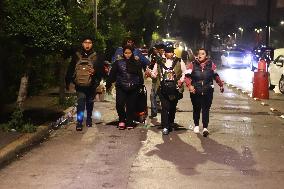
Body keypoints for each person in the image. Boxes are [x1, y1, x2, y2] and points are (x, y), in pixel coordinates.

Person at [65, 36, 105, 131]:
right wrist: (68, 81)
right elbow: (71, 69)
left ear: (92, 44)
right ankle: (79, 122)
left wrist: (95, 73)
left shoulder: (96, 56)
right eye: (85, 42)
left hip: (92, 84)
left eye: (89, 42)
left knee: (90, 102)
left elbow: (101, 71)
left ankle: (89, 119)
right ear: (82, 43)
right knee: (81, 102)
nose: (87, 45)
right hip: (79, 84)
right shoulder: (77, 55)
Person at [184, 48, 224, 137]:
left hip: (208, 90)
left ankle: (205, 127)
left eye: (202, 53)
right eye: (199, 53)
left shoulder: (211, 65)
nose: (200, 55)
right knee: (196, 108)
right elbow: (186, 77)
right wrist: (190, 86)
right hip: (196, 90)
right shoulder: (192, 64)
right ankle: (197, 125)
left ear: (206, 55)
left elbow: (216, 76)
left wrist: (221, 84)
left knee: (206, 109)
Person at [148, 43, 186, 135]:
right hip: (163, 88)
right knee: (165, 107)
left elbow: (185, 72)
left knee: (172, 107)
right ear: (165, 53)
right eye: (169, 52)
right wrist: (150, 73)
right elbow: (154, 73)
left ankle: (170, 122)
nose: (171, 54)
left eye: (172, 52)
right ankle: (165, 126)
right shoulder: (159, 61)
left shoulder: (179, 61)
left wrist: (181, 81)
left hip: (175, 88)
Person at [106, 45, 144, 130]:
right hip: (121, 87)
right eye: (125, 53)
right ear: (123, 53)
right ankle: (122, 119)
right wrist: (108, 84)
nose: (127, 55)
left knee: (131, 105)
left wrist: (140, 86)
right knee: (119, 104)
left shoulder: (137, 63)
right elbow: (112, 75)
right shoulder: (118, 62)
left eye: (129, 53)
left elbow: (140, 76)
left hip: (134, 87)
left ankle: (130, 121)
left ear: (132, 53)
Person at [147, 43, 165, 118]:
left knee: (158, 95)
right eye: (159, 50)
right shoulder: (154, 57)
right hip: (156, 78)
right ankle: (155, 111)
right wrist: (150, 72)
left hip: (163, 79)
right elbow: (152, 66)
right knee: (153, 95)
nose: (161, 51)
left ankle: (163, 110)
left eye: (162, 50)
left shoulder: (163, 58)